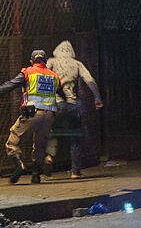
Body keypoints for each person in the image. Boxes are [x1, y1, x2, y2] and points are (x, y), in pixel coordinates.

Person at [0, 50, 63, 184]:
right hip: (49, 115)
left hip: (32, 113)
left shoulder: (28, 72)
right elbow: (60, 93)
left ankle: (19, 166)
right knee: (40, 145)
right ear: (45, 61)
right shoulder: (55, 76)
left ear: (32, 61)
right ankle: (36, 175)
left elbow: (9, 85)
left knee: (12, 143)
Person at [43, 40, 103, 179]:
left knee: (54, 133)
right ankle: (75, 171)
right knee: (75, 137)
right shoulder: (77, 64)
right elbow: (90, 81)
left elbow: (43, 76)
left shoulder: (51, 61)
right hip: (72, 105)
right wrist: (97, 98)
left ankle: (49, 157)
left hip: (56, 104)